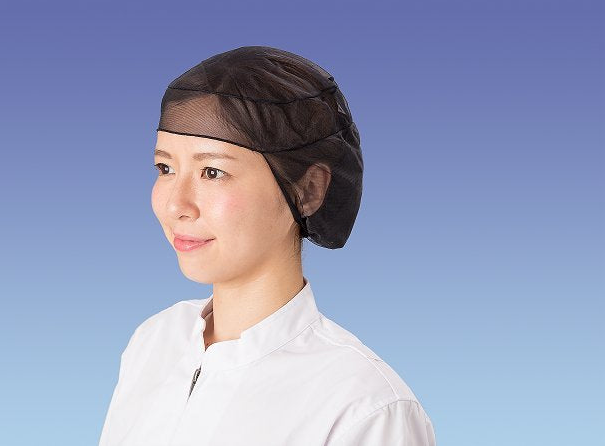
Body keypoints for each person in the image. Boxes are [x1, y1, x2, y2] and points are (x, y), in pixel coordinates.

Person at [98, 46, 436, 445]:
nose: (176, 205)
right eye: (165, 168)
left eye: (212, 172)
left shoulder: (364, 407)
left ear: (308, 190)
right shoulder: (155, 341)